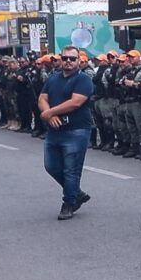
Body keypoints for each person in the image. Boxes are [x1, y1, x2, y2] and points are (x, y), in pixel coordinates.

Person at [38, 46, 96, 220]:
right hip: (55, 130)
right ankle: (76, 193)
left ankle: (69, 203)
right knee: (51, 166)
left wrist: (49, 113)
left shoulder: (83, 80)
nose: (68, 62)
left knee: (71, 170)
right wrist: (49, 116)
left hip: (76, 131)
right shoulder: (53, 78)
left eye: (72, 59)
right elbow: (42, 98)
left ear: (79, 61)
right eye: (65, 58)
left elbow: (75, 102)